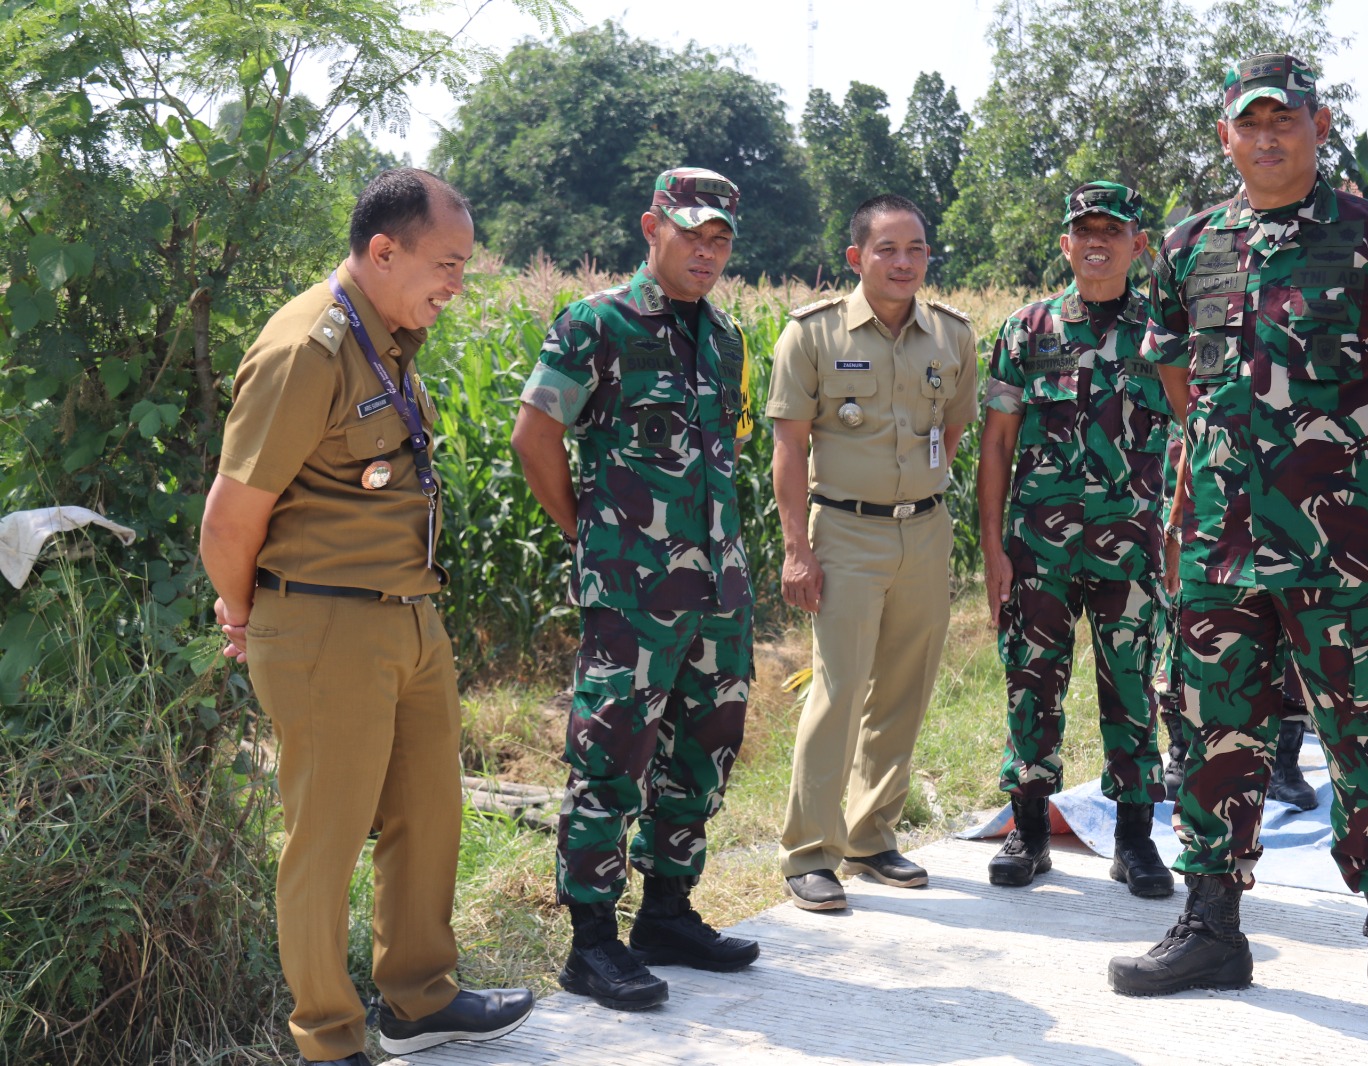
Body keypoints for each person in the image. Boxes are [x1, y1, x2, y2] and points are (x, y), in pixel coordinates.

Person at [1107, 54, 1368, 1027]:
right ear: (1226, 135)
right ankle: (1212, 925)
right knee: (1213, 729)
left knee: (1355, 729)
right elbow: (1174, 373)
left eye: (1283, 121)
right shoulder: (1187, 243)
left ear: (1318, 125)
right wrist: (1227, 466)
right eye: (1249, 124)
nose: (1266, 138)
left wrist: (1357, 464)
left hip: (1338, 539)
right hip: (1219, 538)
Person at [199, 168, 533, 1066]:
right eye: (447, 264)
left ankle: (419, 1000)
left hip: (409, 616)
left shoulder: (384, 338)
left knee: (429, 815)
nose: (458, 284)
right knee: (328, 837)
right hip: (325, 625)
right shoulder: (306, 348)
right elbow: (228, 522)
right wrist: (247, 615)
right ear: (384, 251)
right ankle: (328, 1037)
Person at [510, 167, 760, 1009]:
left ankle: (667, 913)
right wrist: (588, 535)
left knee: (704, 749)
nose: (706, 252)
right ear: (652, 227)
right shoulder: (597, 324)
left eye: (720, 239)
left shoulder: (724, 337)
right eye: (692, 234)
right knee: (611, 757)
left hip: (717, 586)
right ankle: (591, 943)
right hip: (631, 591)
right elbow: (534, 436)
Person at [768, 194, 979, 911]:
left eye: (916, 248)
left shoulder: (952, 335)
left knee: (903, 689)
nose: (903, 262)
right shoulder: (813, 333)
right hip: (845, 532)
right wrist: (797, 550)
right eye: (887, 249)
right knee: (838, 690)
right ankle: (808, 852)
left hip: (925, 530)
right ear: (857, 257)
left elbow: (952, 430)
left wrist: (917, 494)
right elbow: (788, 448)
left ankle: (871, 836)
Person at [976, 181, 1173, 896]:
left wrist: (1179, 534)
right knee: (1031, 684)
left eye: (1112, 231)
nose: (1097, 242)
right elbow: (997, 444)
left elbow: (1193, 433)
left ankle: (1134, 839)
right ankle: (1028, 832)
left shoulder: (1163, 332)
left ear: (1137, 245)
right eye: (1084, 230)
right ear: (1065, 244)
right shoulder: (1025, 331)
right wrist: (991, 548)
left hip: (1133, 547)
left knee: (1133, 689)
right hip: (1038, 550)